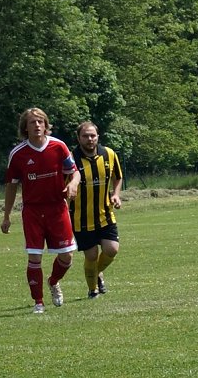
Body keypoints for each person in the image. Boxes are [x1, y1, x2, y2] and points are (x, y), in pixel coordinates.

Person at [1, 108, 81, 314]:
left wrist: (73, 185)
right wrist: (6, 216)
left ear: (46, 125)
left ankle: (53, 282)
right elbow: (11, 186)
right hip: (33, 212)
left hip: (57, 208)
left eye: (40, 122)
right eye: (31, 123)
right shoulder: (18, 154)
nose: (36, 125)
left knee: (67, 256)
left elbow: (75, 173)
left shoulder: (58, 146)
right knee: (34, 257)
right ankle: (38, 302)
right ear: (25, 128)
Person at [70, 121, 124, 298]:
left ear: (98, 136)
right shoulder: (71, 159)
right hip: (81, 218)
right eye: (85, 136)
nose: (89, 139)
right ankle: (92, 289)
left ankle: (96, 273)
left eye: (92, 135)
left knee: (112, 250)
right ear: (78, 138)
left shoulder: (109, 154)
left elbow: (118, 177)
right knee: (92, 256)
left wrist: (115, 194)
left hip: (105, 213)